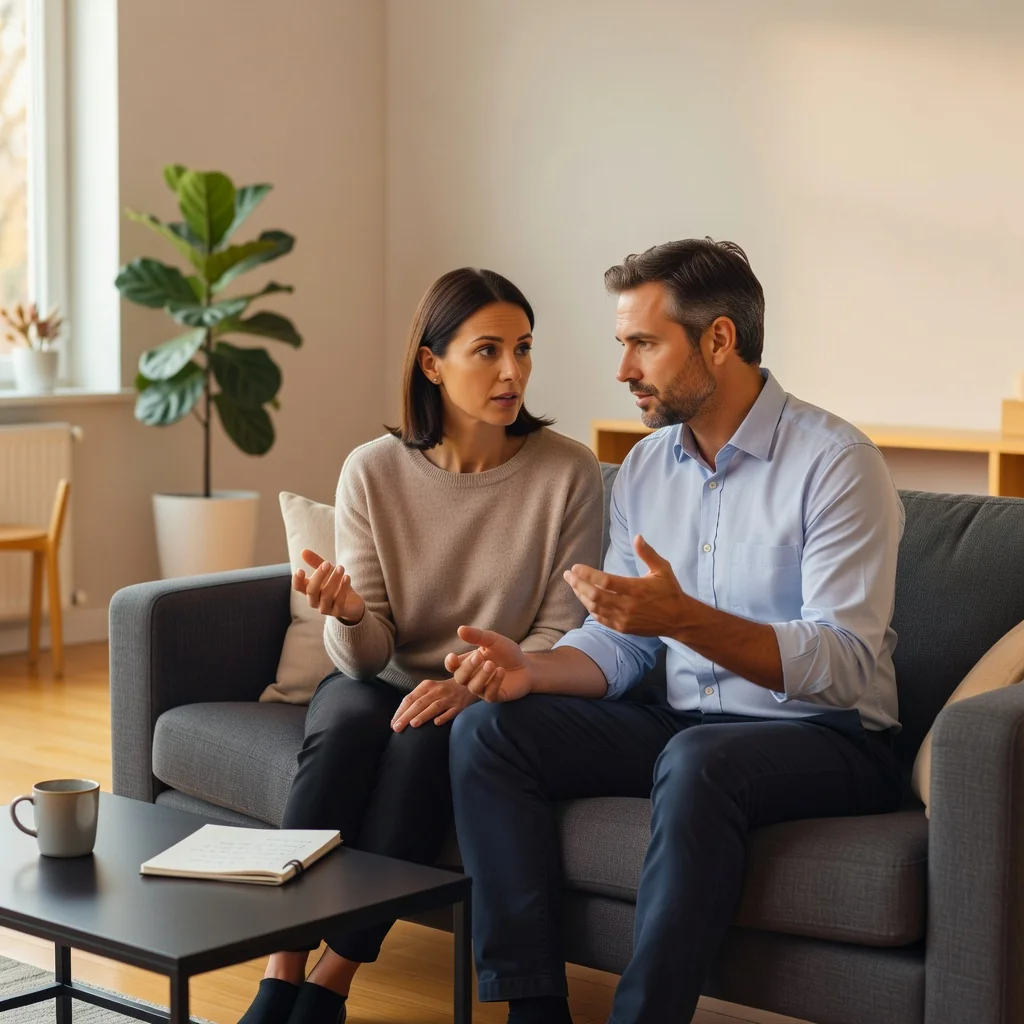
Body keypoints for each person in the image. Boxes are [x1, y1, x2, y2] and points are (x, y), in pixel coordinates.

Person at [446, 239, 905, 1024]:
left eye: (644, 344)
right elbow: (626, 643)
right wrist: (533, 669)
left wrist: (683, 618)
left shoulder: (837, 464)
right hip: (687, 725)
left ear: (718, 339)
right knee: (490, 730)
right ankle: (533, 1009)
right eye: (621, 344)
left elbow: (844, 664)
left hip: (830, 736)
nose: (623, 369)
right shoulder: (646, 468)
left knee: (700, 760)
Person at [238, 268, 604, 1024]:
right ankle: (280, 969)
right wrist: (347, 615)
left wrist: (474, 684)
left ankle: (332, 979)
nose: (513, 372)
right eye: (488, 350)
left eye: (524, 348)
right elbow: (366, 658)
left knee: (424, 743)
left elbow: (559, 629)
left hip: (490, 690)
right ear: (432, 364)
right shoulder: (372, 469)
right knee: (344, 726)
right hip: (381, 674)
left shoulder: (567, 472)